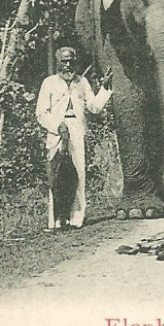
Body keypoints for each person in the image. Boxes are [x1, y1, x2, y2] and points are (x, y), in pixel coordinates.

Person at [36, 47, 111, 231]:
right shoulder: (49, 83)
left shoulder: (82, 82)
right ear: (58, 62)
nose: (68, 65)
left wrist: (105, 87)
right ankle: (55, 222)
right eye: (64, 61)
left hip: (77, 130)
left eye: (70, 61)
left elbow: (94, 107)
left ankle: (76, 218)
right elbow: (41, 112)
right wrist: (56, 126)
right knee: (56, 175)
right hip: (56, 133)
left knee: (79, 174)